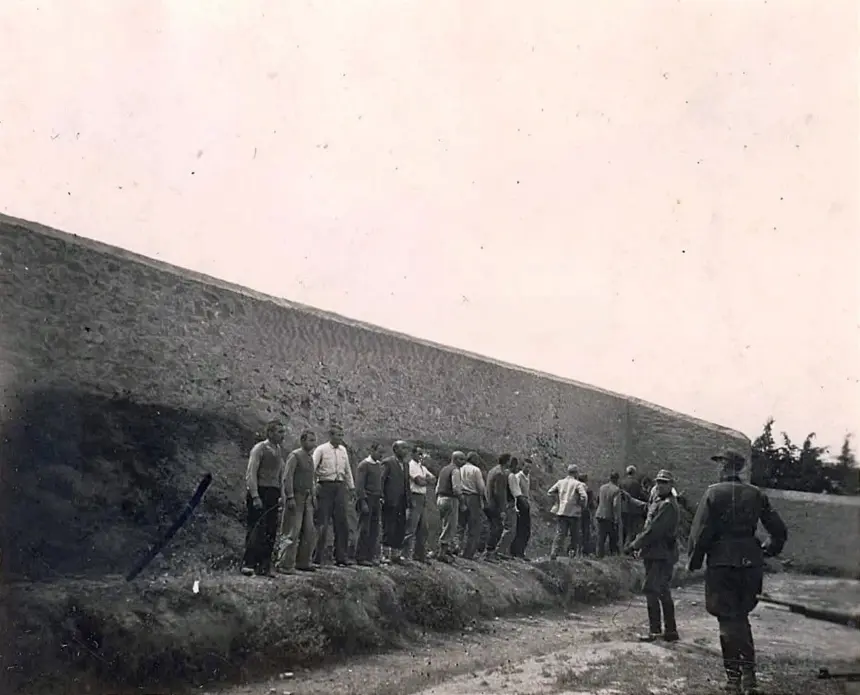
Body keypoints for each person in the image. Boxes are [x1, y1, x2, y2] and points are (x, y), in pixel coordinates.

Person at [687, 449, 788, 695]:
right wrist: (768, 550)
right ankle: (749, 676)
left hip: (722, 563)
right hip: (750, 563)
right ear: (740, 468)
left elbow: (700, 533)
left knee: (727, 621)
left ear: (724, 466)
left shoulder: (713, 492)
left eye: (719, 463)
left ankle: (734, 679)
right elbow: (779, 530)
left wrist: (694, 561)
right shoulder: (756, 494)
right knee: (741, 617)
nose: (717, 469)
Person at [624, 469, 680, 643]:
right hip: (658, 553)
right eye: (658, 482)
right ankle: (670, 631)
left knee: (652, 590)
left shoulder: (669, 505)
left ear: (671, 485)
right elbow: (648, 508)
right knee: (662, 590)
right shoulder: (661, 501)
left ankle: (655, 631)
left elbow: (653, 530)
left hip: (660, 554)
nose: (660, 485)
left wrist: (634, 545)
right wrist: (631, 500)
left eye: (664, 482)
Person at [241, 419, 287, 578]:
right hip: (260, 491)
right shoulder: (260, 448)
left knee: (270, 530)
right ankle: (248, 564)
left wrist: (281, 494)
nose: (283, 435)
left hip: (273, 493)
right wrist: (255, 495)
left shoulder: (279, 450)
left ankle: (264, 566)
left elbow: (280, 474)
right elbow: (251, 473)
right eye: (279, 432)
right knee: (256, 529)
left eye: (283, 432)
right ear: (270, 433)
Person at [312, 424, 355, 567]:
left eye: (342, 435)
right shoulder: (321, 450)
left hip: (340, 487)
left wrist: (351, 487)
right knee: (322, 523)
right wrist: (313, 487)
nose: (341, 438)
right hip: (325, 486)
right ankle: (316, 558)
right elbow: (312, 468)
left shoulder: (343, 450)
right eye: (338, 435)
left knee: (342, 523)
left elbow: (347, 470)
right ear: (331, 435)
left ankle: (341, 557)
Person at [276, 429, 318, 574]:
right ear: (302, 441)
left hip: (307, 499)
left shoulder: (310, 458)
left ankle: (303, 562)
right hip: (296, 497)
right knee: (291, 531)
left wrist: (313, 496)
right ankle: (285, 564)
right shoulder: (295, 456)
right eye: (310, 440)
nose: (313, 443)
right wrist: (290, 497)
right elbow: (287, 477)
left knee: (309, 531)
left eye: (314, 440)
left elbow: (312, 480)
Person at [380, 440, 412, 564]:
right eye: (403, 448)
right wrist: (382, 496)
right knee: (388, 526)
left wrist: (408, 500)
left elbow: (406, 484)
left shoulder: (405, 465)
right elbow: (382, 480)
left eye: (407, 448)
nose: (405, 451)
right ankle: (385, 554)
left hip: (402, 501)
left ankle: (396, 554)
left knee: (400, 527)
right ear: (395, 450)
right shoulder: (388, 463)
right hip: (390, 500)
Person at [547, 464, 587, 560]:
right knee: (574, 535)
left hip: (562, 511)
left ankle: (554, 552)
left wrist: (557, 501)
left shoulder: (560, 482)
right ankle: (571, 553)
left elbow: (550, 492)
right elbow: (584, 496)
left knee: (560, 533)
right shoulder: (578, 484)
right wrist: (581, 505)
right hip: (574, 513)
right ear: (576, 473)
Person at [354, 443, 385, 567]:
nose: (380, 455)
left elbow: (379, 484)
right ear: (372, 450)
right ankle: (360, 556)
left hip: (376, 499)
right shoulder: (364, 465)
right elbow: (359, 486)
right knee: (364, 528)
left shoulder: (378, 465)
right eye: (379, 452)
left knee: (374, 529)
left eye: (382, 453)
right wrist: (363, 501)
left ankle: (370, 556)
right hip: (367, 499)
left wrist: (381, 497)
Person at [403, 446, 435, 563]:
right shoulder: (411, 465)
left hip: (422, 497)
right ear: (413, 454)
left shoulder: (422, 467)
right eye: (419, 454)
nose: (421, 456)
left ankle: (419, 554)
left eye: (422, 454)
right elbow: (419, 481)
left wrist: (424, 480)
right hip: (414, 496)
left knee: (423, 528)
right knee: (411, 526)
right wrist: (425, 480)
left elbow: (433, 478)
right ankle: (405, 554)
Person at [435, 451, 465, 562]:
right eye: (462, 459)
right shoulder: (455, 471)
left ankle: (441, 549)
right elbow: (456, 489)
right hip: (450, 499)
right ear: (456, 459)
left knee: (443, 524)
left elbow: (437, 486)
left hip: (440, 498)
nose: (463, 462)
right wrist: (462, 502)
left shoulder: (444, 469)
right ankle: (442, 552)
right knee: (450, 526)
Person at [483, 454, 514, 560]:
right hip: (494, 505)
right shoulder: (500, 473)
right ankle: (489, 552)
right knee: (498, 528)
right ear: (507, 461)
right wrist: (502, 509)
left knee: (492, 527)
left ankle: (487, 551)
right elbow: (499, 493)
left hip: (488, 502)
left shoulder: (492, 470)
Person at [458, 451, 487, 560]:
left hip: (461, 496)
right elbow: (481, 488)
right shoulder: (476, 470)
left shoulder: (459, 468)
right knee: (474, 527)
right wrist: (483, 499)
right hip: (473, 497)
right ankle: (468, 553)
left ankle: (456, 549)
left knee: (460, 525)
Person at [509, 457, 533, 559]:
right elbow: (516, 493)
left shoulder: (528, 477)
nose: (528, 469)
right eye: (526, 467)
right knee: (520, 529)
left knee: (526, 530)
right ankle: (516, 552)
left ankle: (521, 551)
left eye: (529, 468)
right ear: (522, 466)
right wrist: (516, 507)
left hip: (525, 502)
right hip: (520, 503)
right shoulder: (518, 477)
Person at [595, 471, 622, 557]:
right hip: (609, 516)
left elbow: (598, 499)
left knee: (601, 537)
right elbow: (615, 505)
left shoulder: (602, 488)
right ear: (617, 479)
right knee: (613, 537)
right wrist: (617, 518)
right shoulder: (616, 490)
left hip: (599, 514)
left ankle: (599, 555)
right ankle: (613, 556)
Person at [620, 465, 647, 547]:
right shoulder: (636, 483)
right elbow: (641, 495)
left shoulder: (622, 482)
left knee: (623, 528)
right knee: (631, 529)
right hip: (633, 508)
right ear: (634, 472)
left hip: (623, 508)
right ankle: (628, 547)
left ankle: (621, 546)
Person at [579, 472, 596, 555]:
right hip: (585, 512)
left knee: (576, 531)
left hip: (575, 512)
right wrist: (593, 516)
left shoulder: (575, 488)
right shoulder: (588, 490)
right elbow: (592, 504)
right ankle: (585, 550)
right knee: (586, 531)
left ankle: (575, 550)